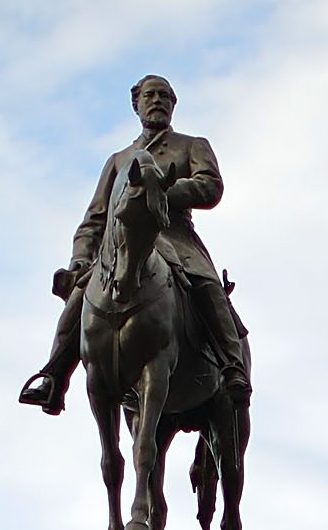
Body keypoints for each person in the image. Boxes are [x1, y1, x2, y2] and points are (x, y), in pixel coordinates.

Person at [18, 74, 249, 417]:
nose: (157, 101)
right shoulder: (119, 160)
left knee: (207, 288)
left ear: (173, 105)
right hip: (120, 248)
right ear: (136, 105)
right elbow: (95, 218)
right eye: (149, 95)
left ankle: (232, 367)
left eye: (164, 96)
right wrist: (80, 259)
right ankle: (53, 377)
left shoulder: (192, 145)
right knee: (82, 296)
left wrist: (158, 195)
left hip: (175, 240)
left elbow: (210, 186)